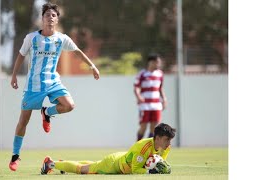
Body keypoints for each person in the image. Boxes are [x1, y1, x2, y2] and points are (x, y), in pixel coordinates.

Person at [9, 3, 100, 171]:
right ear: (42, 19)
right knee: (23, 121)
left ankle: (47, 112)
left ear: (57, 19)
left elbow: (77, 51)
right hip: (33, 85)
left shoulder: (62, 39)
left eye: (53, 15)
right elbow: (21, 55)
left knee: (69, 105)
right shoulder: (31, 38)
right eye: (47, 15)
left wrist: (92, 66)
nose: (50, 18)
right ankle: (15, 155)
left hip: (53, 82)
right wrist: (14, 75)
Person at [40, 123, 175, 175]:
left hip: (121, 159)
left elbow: (159, 163)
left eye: (170, 139)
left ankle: (65, 163)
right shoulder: (143, 147)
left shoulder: (165, 147)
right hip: (113, 165)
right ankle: (50, 163)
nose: (169, 143)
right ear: (157, 137)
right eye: (166, 139)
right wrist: (150, 173)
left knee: (91, 165)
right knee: (83, 170)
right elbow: (135, 170)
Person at [134, 53, 167, 141]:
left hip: (156, 104)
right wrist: (139, 96)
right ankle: (138, 146)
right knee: (143, 127)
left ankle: (148, 149)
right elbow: (136, 87)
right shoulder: (142, 74)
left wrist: (164, 99)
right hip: (145, 105)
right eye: (157, 62)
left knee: (154, 128)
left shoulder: (160, 74)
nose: (158, 64)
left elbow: (160, 88)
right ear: (151, 62)